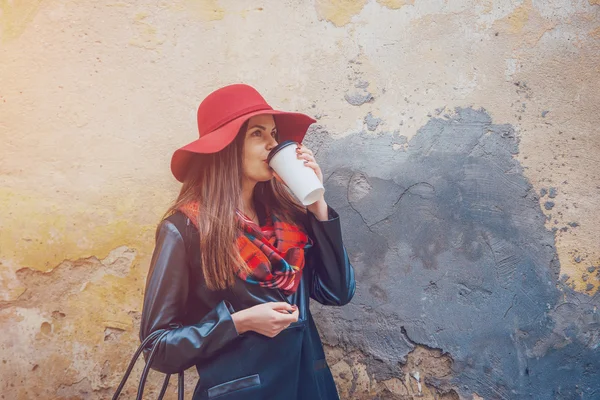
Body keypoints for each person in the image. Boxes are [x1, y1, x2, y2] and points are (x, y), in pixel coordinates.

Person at [139, 83, 355, 400]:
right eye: (257, 134)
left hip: (310, 388)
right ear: (225, 148)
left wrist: (316, 205)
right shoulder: (184, 230)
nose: (273, 144)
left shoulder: (291, 221)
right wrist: (238, 323)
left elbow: (338, 292)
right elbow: (157, 347)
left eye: (274, 134)